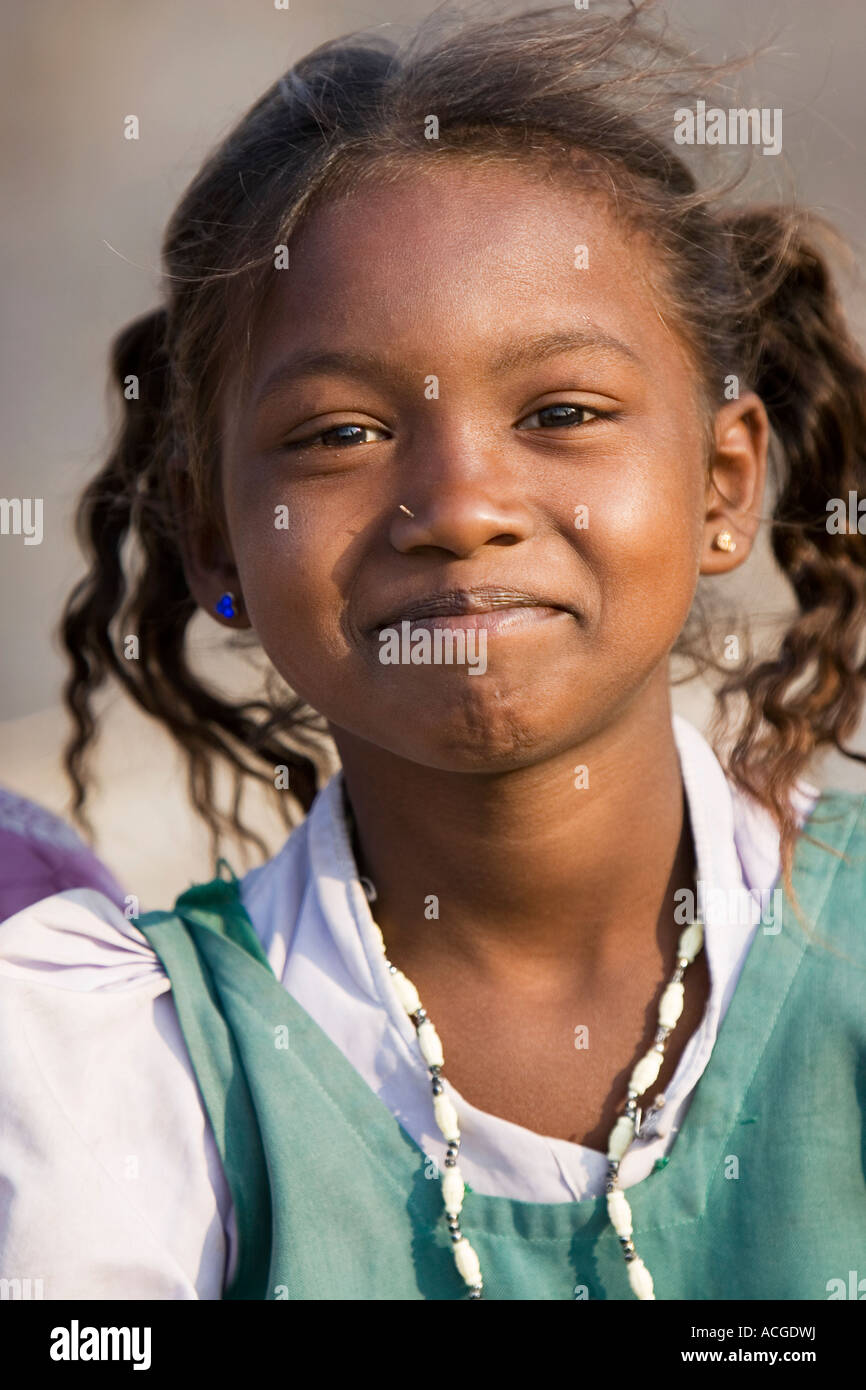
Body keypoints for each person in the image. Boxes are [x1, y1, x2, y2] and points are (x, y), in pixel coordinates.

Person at [2, 0, 865, 1301]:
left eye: (562, 411)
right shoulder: (123, 1061)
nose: (460, 506)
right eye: (338, 434)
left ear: (721, 485)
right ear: (213, 538)